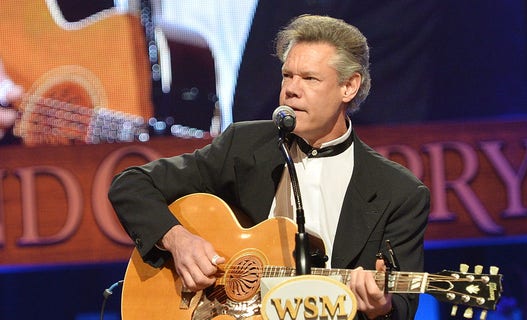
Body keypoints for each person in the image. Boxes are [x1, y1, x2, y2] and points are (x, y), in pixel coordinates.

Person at [109, 14, 430, 319]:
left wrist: (380, 307)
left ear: (349, 87)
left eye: (309, 78)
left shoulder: (399, 193)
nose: (291, 88)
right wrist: (177, 239)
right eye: (287, 75)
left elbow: (400, 308)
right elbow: (132, 184)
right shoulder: (245, 146)